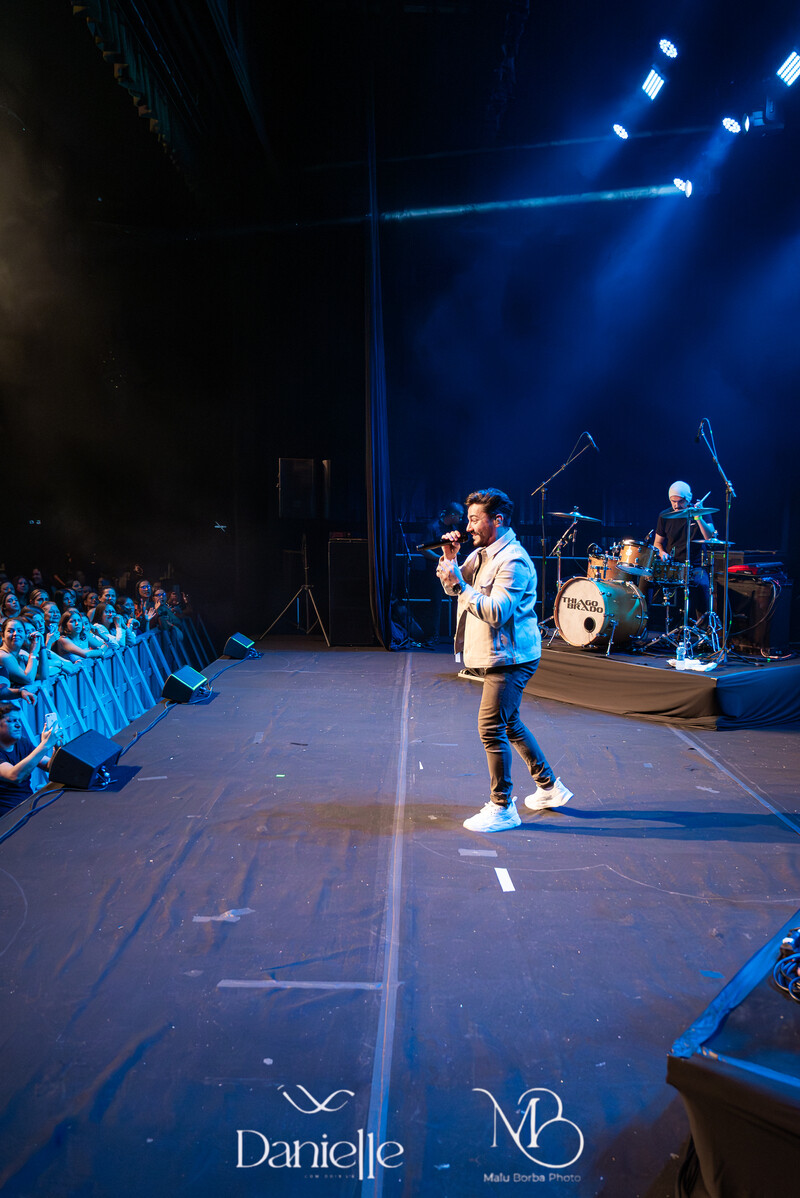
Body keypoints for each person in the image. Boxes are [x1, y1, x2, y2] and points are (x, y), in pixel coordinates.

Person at [437, 487, 573, 833]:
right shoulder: (482, 554)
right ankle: (549, 787)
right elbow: (453, 586)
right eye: (468, 520)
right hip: (499, 654)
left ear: (496, 520)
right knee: (509, 722)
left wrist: (460, 585)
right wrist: (449, 559)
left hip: (512, 658)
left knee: (490, 727)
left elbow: (496, 612)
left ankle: (502, 807)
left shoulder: (513, 560)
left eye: (474, 520)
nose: (468, 527)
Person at [653, 480, 716, 621]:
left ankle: (703, 627)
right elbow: (657, 543)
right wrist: (662, 553)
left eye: (680, 501)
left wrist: (698, 517)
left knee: (703, 588)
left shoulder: (701, 512)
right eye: (673, 501)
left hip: (696, 566)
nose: (676, 505)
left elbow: (710, 537)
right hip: (673, 565)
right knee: (648, 582)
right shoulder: (664, 515)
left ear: (688, 499)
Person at [421, 501, 466, 644]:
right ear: (452, 515)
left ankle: (457, 636)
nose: (461, 519)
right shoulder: (432, 526)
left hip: (453, 572)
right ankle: (433, 636)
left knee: (459, 601)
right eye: (460, 516)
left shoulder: (454, 528)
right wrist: (442, 559)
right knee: (436, 605)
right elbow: (424, 549)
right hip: (435, 572)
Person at [0, 703, 58, 814]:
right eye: (11, 721)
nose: (18, 725)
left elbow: (49, 766)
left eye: (18, 721)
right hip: (7, 816)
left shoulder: (22, 743)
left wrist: (56, 747)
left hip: (27, 806)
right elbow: (15, 776)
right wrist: (45, 745)